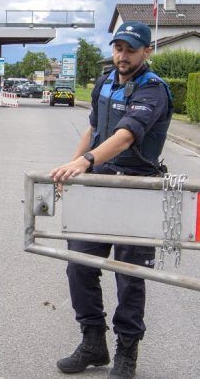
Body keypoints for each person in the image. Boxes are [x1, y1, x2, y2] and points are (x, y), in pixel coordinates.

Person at [50, 21, 173, 378]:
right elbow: (93, 130)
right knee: (78, 263)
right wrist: (75, 167)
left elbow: (124, 136)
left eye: (131, 49)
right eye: (118, 48)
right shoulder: (105, 81)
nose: (122, 55)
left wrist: (85, 162)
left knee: (129, 275)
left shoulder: (153, 91)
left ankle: (127, 353)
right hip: (99, 188)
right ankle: (93, 342)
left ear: (146, 52)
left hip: (136, 190)